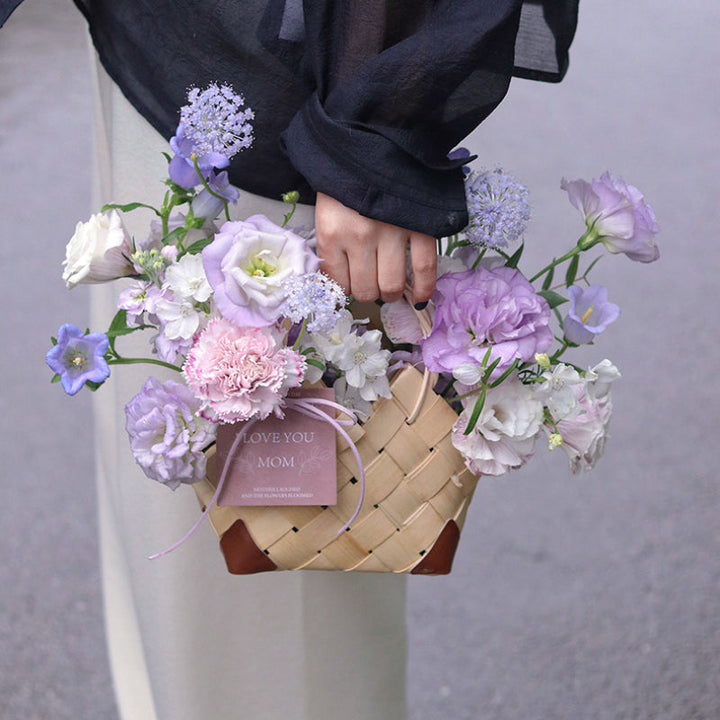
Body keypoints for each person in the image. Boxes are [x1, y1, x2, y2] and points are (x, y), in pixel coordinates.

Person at [1, 2, 578, 719]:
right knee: (169, 589)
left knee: (275, 640)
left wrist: (378, 127)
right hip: (159, 49)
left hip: (290, 102)